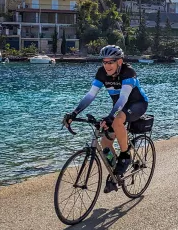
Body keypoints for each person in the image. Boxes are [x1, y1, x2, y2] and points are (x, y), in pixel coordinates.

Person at [63, 45, 148, 192]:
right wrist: (74, 113)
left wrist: (111, 116)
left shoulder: (128, 73)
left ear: (119, 62)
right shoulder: (102, 73)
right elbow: (90, 95)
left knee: (117, 120)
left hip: (137, 104)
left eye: (111, 62)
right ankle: (116, 173)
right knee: (105, 141)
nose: (107, 65)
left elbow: (123, 98)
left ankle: (125, 155)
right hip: (119, 107)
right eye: (104, 62)